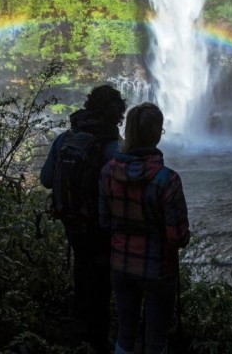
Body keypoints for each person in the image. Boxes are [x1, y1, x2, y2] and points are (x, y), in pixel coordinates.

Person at [40, 85, 127, 354]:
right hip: (103, 228)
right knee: (102, 280)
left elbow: (45, 179)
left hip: (73, 221)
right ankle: (98, 339)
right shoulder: (116, 148)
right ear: (117, 115)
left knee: (82, 268)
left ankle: (81, 333)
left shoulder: (65, 139)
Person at [98, 102, 190, 354]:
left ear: (128, 131)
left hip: (121, 265)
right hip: (158, 269)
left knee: (125, 331)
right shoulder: (168, 180)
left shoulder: (107, 172)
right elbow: (179, 236)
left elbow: (104, 222)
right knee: (156, 338)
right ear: (158, 133)